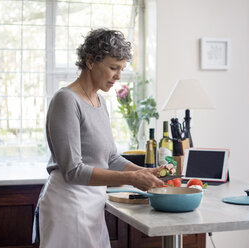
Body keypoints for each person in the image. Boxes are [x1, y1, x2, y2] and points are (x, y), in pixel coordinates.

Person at [34, 28, 164, 248]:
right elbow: (73, 170)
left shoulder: (100, 102)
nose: (118, 76)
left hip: (92, 205)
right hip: (68, 205)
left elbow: (111, 157)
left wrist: (142, 172)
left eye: (121, 69)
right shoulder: (66, 100)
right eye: (113, 67)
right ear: (91, 61)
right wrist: (133, 180)